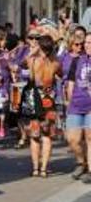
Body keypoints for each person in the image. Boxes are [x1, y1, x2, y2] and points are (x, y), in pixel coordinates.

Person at [20, 35, 61, 178]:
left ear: (40, 46)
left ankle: (35, 169)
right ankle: (44, 169)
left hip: (33, 101)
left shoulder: (33, 60)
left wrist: (32, 51)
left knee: (34, 137)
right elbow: (61, 75)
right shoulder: (55, 63)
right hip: (48, 101)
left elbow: (20, 64)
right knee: (47, 136)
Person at [66, 34, 91, 182]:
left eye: (90, 42)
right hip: (76, 104)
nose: (86, 45)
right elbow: (70, 82)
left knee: (90, 137)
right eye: (86, 42)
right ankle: (82, 163)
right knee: (72, 139)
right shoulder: (77, 61)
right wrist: (69, 102)